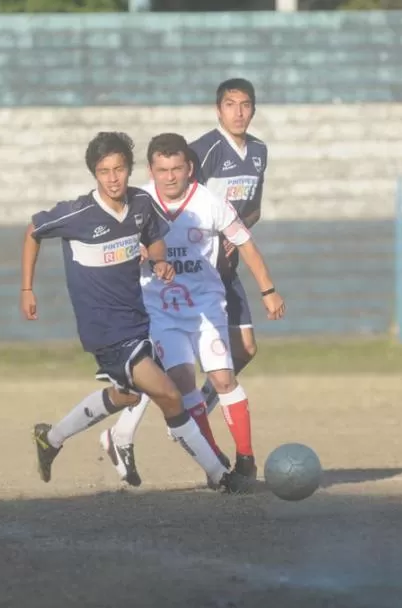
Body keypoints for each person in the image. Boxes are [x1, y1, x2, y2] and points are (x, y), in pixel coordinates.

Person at [23, 131, 234, 493]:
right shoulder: (78, 213)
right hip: (104, 329)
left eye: (119, 169)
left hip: (138, 320)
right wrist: (27, 288)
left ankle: (52, 438)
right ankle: (219, 474)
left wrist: (160, 259)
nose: (113, 177)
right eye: (104, 171)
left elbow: (154, 236)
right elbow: (33, 231)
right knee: (168, 394)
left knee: (128, 396)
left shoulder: (140, 204)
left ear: (129, 170)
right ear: (94, 174)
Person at [98, 133, 285, 490]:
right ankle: (213, 460)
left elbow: (246, 244)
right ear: (151, 170)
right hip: (159, 311)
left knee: (223, 379)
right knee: (182, 382)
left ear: (190, 168)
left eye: (177, 169)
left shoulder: (210, 203)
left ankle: (246, 457)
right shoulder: (134, 204)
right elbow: (109, 252)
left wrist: (269, 290)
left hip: (205, 307)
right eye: (162, 169)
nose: (169, 177)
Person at [190, 77, 268, 481]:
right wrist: (216, 234)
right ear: (218, 110)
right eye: (231, 104)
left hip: (229, 269)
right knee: (177, 364)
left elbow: (253, 208)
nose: (239, 112)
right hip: (198, 271)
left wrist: (237, 230)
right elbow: (182, 207)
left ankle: (200, 406)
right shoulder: (202, 151)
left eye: (246, 105)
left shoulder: (258, 152)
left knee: (247, 349)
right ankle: (126, 434)